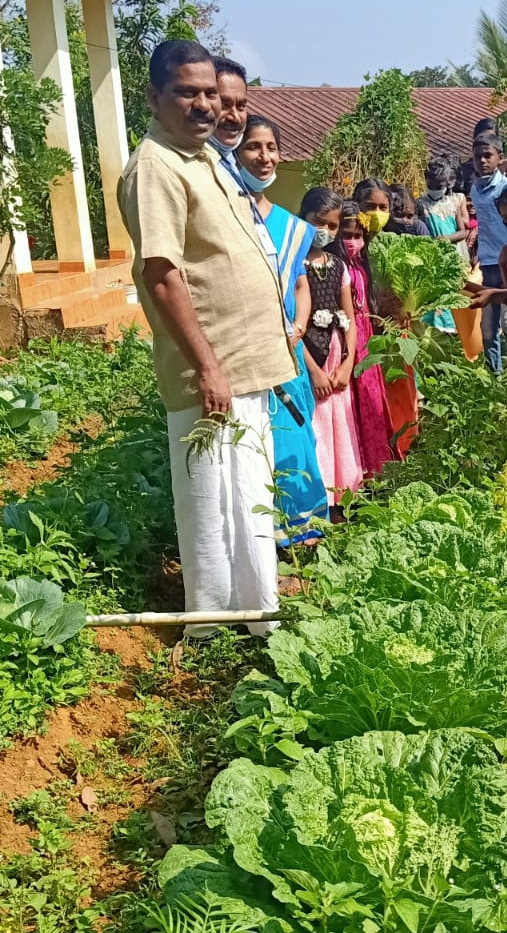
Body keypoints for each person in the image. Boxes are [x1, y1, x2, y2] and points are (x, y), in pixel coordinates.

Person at [117, 40, 295, 637]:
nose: (203, 105)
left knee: (246, 491)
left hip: (242, 363)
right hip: (213, 367)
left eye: (209, 93)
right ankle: (213, 624)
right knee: (213, 499)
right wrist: (207, 366)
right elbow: (161, 274)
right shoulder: (155, 166)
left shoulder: (202, 158)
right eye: (186, 93)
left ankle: (257, 612)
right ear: (154, 98)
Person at [237, 115, 327, 546]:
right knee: (262, 440)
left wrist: (299, 326)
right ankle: (267, 537)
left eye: (271, 147)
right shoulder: (228, 219)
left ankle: (304, 528)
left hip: (288, 352)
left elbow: (301, 285)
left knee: (296, 436)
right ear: (234, 153)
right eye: (253, 147)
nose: (264, 156)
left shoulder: (292, 228)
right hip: (247, 352)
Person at [298, 188, 364, 508]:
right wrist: (313, 371)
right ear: (303, 219)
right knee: (316, 424)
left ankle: (343, 494)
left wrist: (348, 363)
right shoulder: (292, 265)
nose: (325, 230)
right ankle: (317, 496)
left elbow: (349, 319)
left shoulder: (338, 266)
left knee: (340, 422)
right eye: (318, 222)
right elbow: (290, 323)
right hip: (306, 355)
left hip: (337, 356)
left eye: (332, 226)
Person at [340, 198, 396, 476]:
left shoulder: (361, 264)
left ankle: (378, 465)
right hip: (346, 339)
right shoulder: (337, 267)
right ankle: (358, 468)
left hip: (366, 336)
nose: (353, 242)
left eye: (358, 236)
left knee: (371, 396)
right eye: (347, 236)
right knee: (352, 401)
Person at [470, 133, 507, 372]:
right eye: (477, 156)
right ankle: (495, 378)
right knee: (488, 329)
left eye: (487, 155)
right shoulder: (475, 190)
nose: (482, 160)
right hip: (487, 263)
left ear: (500, 158)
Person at [418, 156, 471, 261]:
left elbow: (462, 232)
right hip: (434, 254)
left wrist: (447, 239)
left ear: (448, 183)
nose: (435, 190)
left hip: (455, 254)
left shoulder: (453, 203)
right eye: (431, 186)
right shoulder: (420, 204)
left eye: (439, 187)